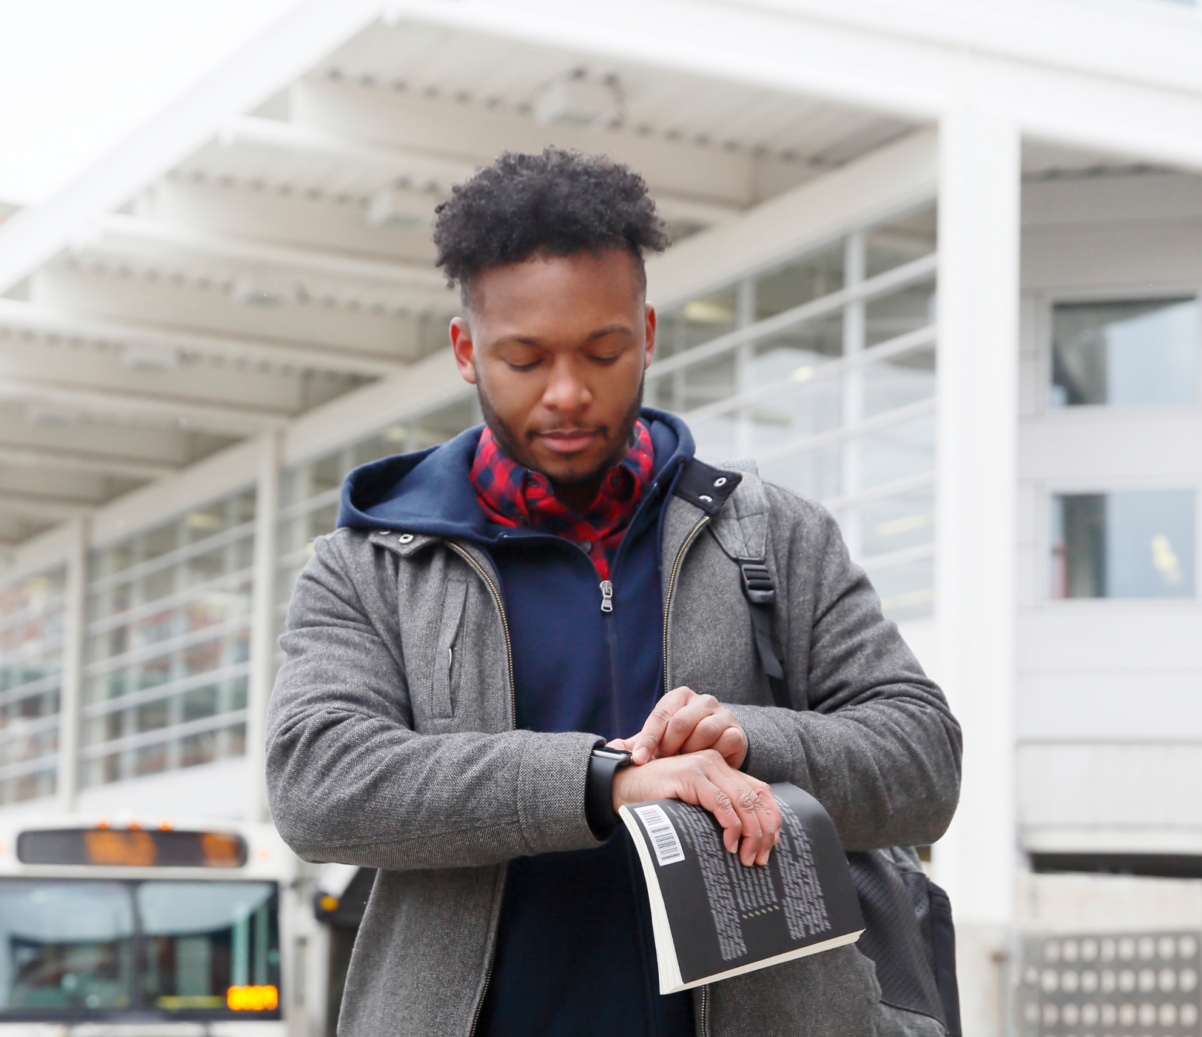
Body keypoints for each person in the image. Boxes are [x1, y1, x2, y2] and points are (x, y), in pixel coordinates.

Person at [265, 148, 961, 1037]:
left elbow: (924, 763)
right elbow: (320, 781)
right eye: (525, 358)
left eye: (604, 352)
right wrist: (607, 781)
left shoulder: (774, 536)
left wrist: (749, 741)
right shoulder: (369, 566)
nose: (568, 393)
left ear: (649, 334)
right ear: (465, 350)